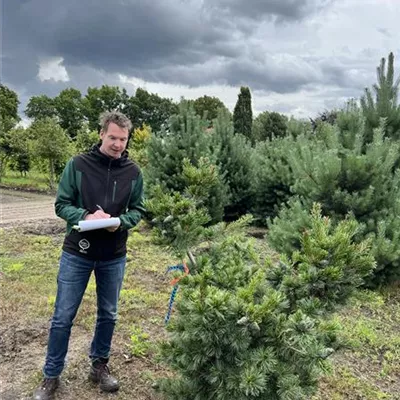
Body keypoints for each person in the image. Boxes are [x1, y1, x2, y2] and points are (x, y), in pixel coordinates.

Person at [33, 111, 145, 400]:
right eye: (112, 137)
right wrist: (85, 214)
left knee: (108, 314)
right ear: (101, 134)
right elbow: (61, 204)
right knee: (63, 316)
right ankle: (51, 375)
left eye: (123, 139)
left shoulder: (133, 172)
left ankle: (99, 366)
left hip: (114, 254)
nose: (118, 144)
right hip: (77, 253)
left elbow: (138, 210)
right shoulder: (78, 165)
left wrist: (121, 221)